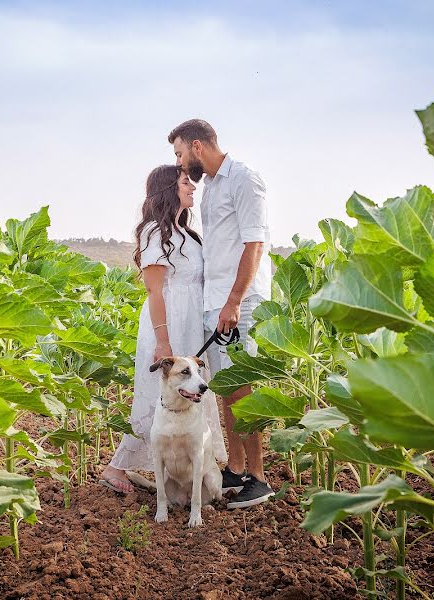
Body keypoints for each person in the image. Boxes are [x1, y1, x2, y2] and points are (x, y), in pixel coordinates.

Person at [99, 165, 227, 493]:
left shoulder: (187, 234)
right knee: (156, 397)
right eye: (187, 183)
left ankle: (197, 469)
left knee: (190, 390)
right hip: (167, 323)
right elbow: (155, 291)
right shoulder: (155, 231)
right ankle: (117, 468)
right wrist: (163, 341)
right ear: (170, 188)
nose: (193, 188)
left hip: (190, 323)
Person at [169, 119, 276, 509]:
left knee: (244, 387)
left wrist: (233, 301)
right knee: (227, 388)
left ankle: (260, 477)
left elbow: (254, 244)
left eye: (180, 153)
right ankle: (235, 467)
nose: (180, 163)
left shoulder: (244, 178)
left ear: (198, 147)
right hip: (217, 302)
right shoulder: (211, 186)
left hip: (241, 302)